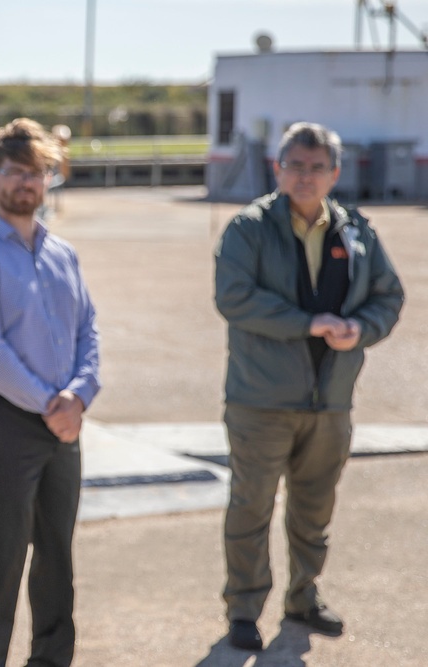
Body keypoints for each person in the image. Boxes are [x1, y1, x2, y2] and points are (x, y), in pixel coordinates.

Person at [214, 121, 404, 651]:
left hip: (330, 402)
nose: (305, 176)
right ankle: (245, 608)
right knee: (251, 507)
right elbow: (234, 298)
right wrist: (310, 323)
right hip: (260, 402)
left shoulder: (357, 232)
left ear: (335, 174)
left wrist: (359, 330)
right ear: (279, 168)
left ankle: (303, 596)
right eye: (295, 164)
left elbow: (388, 297)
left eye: (317, 167)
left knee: (314, 510)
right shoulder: (248, 229)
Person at [0, 118, 100, 667]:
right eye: (15, 172)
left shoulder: (64, 254)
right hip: (8, 422)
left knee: (58, 553)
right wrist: (53, 405)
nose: (27, 184)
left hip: (65, 421)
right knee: (5, 555)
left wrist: (79, 396)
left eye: (37, 173)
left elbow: (89, 331)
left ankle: (52, 659)